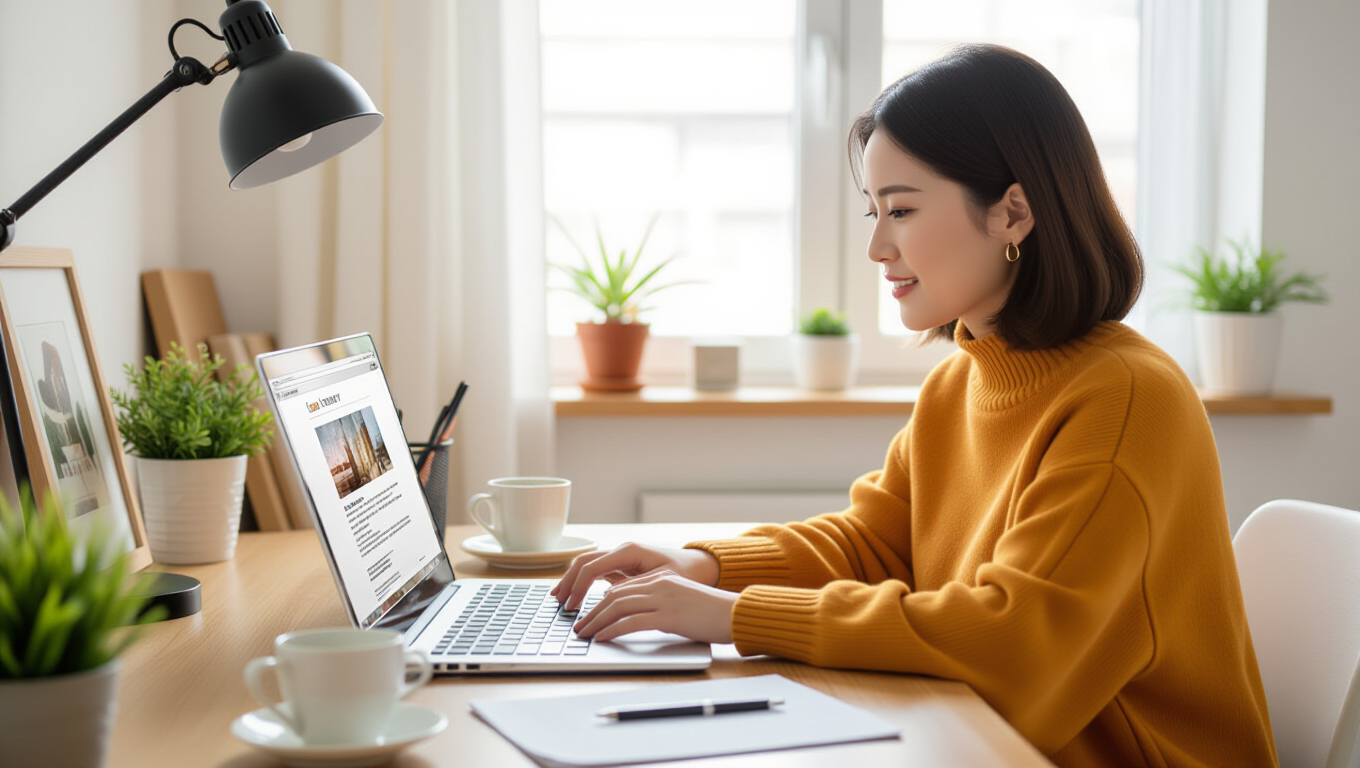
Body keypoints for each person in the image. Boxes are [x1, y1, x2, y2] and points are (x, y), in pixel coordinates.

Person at [551, 43, 1277, 767]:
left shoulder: (1125, 399)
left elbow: (1015, 644)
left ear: (1013, 213)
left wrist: (738, 617)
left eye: (899, 209)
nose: (875, 245)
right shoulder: (958, 384)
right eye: (873, 210)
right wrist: (705, 565)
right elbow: (874, 547)